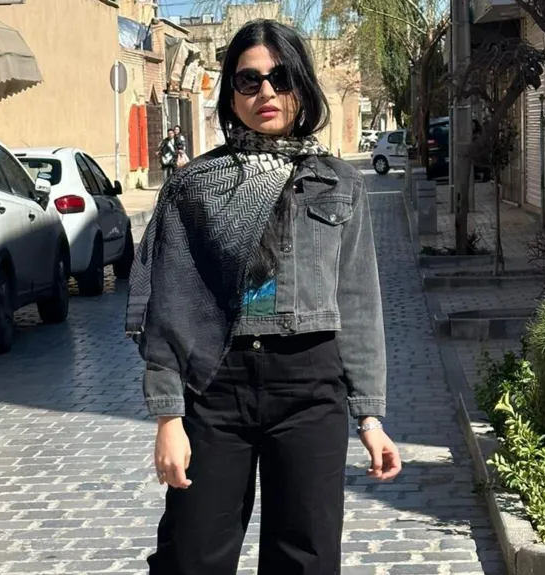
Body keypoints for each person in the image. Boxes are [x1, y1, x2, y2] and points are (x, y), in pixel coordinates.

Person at [126, 19, 401, 575]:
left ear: (303, 87)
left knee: (306, 558)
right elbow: (169, 309)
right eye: (249, 81)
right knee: (192, 555)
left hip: (309, 388)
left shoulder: (340, 184)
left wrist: (370, 418)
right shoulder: (193, 186)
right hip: (215, 387)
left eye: (281, 78)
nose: (266, 93)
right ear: (231, 94)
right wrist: (168, 417)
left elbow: (359, 304)